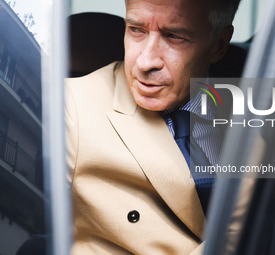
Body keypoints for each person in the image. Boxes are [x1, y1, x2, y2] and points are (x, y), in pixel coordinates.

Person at [65, 0, 242, 254]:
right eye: (136, 30)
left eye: (175, 36)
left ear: (219, 45)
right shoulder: (69, 106)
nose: (145, 62)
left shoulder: (254, 127)